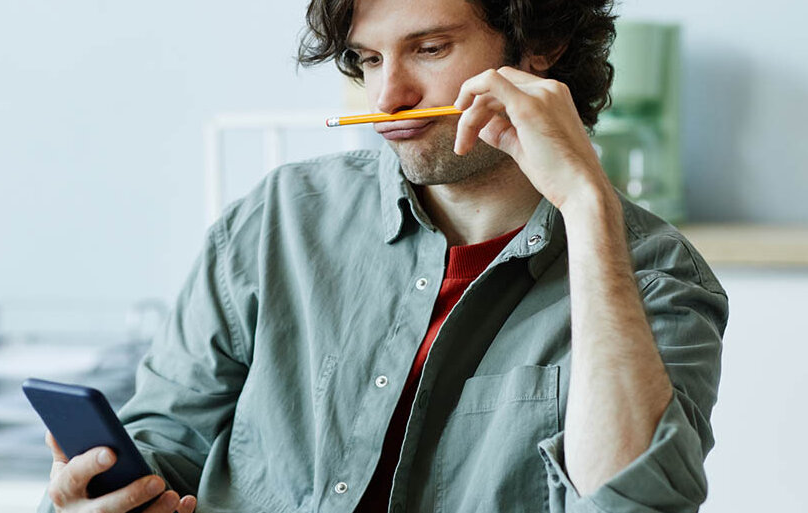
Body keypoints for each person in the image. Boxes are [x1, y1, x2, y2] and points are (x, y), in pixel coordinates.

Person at [40, 0, 727, 511]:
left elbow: (631, 501)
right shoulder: (279, 217)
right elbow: (166, 435)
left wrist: (586, 207)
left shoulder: (655, 274)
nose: (386, 97)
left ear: (539, 43)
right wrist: (100, 492)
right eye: (368, 59)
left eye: (427, 49)